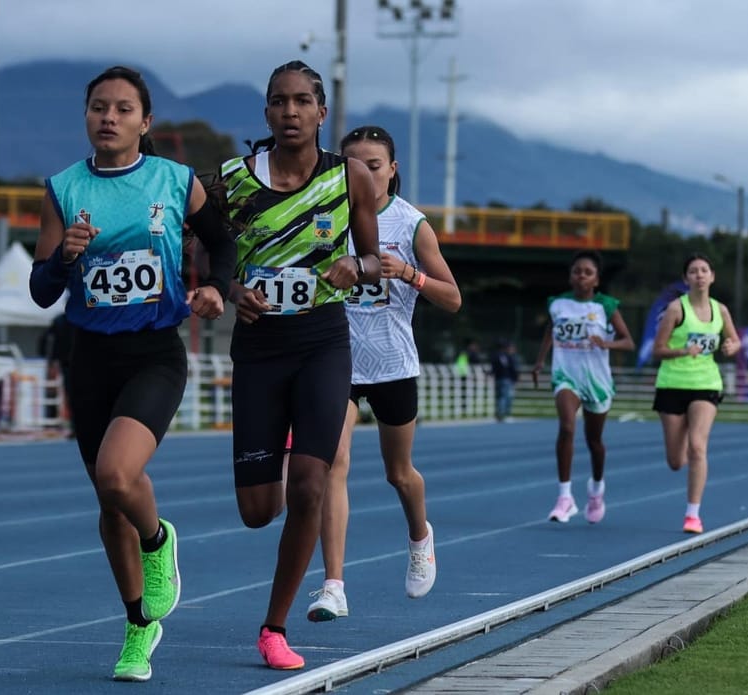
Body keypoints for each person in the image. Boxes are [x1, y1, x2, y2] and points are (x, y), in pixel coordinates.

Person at [28, 65, 235, 682]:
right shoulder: (63, 189)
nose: (108, 118)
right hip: (88, 356)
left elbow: (222, 243)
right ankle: (138, 627)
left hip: (153, 352)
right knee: (107, 501)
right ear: (86, 117)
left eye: (122, 109)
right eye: (98, 107)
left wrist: (218, 290)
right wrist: (65, 258)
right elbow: (41, 291)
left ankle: (159, 542)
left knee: (120, 476)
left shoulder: (174, 181)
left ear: (145, 122)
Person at [218, 61, 381, 670]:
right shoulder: (232, 180)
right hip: (259, 350)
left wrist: (354, 269)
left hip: (321, 342)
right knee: (260, 511)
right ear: (266, 113)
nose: (289, 112)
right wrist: (233, 289)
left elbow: (371, 259)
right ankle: (285, 448)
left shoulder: (350, 179)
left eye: (301, 102)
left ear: (321, 112)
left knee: (312, 485)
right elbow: (205, 255)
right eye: (278, 102)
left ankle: (274, 628)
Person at [305, 125, 461, 623]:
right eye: (354, 163)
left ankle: (420, 536)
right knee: (333, 462)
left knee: (399, 473)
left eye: (374, 164)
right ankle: (333, 585)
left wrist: (407, 273)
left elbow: (453, 299)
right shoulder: (324, 216)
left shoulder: (412, 224)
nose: (363, 173)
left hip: (393, 363)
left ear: (392, 169)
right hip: (338, 360)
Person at [532, 250, 634, 524]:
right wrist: (540, 362)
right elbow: (550, 332)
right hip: (566, 374)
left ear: (596, 280)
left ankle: (596, 488)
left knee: (594, 442)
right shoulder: (558, 304)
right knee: (566, 427)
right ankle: (565, 497)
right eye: (577, 271)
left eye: (587, 272)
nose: (581, 276)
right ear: (571, 275)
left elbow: (628, 341)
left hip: (597, 381)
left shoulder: (606, 306)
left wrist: (607, 343)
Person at [651, 253, 740, 534]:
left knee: (698, 447)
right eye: (693, 271)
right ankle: (687, 439)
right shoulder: (676, 310)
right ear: (685, 278)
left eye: (704, 270)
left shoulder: (721, 311)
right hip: (673, 384)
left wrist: (731, 347)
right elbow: (657, 350)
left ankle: (693, 515)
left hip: (706, 383)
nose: (699, 275)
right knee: (676, 461)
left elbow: (734, 339)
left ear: (712, 277)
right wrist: (681, 351)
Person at [38, 312, 75, 433]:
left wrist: (51, 359)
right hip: (70, 361)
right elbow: (47, 340)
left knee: (73, 394)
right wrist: (51, 360)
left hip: (69, 360)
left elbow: (46, 340)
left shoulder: (60, 320)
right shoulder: (61, 321)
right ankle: (75, 426)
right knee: (73, 394)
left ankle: (76, 426)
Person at [491, 339, 521, 421]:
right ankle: (504, 414)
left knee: (499, 397)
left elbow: (494, 368)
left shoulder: (494, 355)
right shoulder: (507, 356)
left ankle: (499, 414)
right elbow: (511, 368)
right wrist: (515, 378)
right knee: (506, 397)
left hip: (498, 378)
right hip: (507, 379)